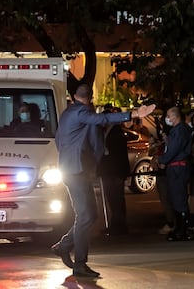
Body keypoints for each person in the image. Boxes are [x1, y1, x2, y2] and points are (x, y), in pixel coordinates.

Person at [51, 83, 155, 278]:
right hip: (76, 171)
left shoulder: (67, 113)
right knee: (85, 216)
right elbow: (103, 118)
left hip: (72, 169)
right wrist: (133, 114)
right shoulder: (81, 112)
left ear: (74, 96)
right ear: (89, 98)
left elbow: (59, 140)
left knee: (89, 215)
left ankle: (64, 246)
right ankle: (79, 263)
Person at [157, 107, 192, 241]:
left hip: (178, 167)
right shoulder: (177, 130)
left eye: (168, 116)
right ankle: (179, 228)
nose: (167, 118)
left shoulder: (180, 130)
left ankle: (182, 230)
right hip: (175, 167)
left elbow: (174, 149)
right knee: (175, 197)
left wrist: (163, 160)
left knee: (179, 197)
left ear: (175, 116)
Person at [97, 107, 130, 235]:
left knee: (117, 199)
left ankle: (120, 226)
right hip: (107, 172)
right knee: (111, 198)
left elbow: (121, 155)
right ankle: (115, 225)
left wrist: (121, 175)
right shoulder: (104, 132)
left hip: (115, 172)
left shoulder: (117, 133)